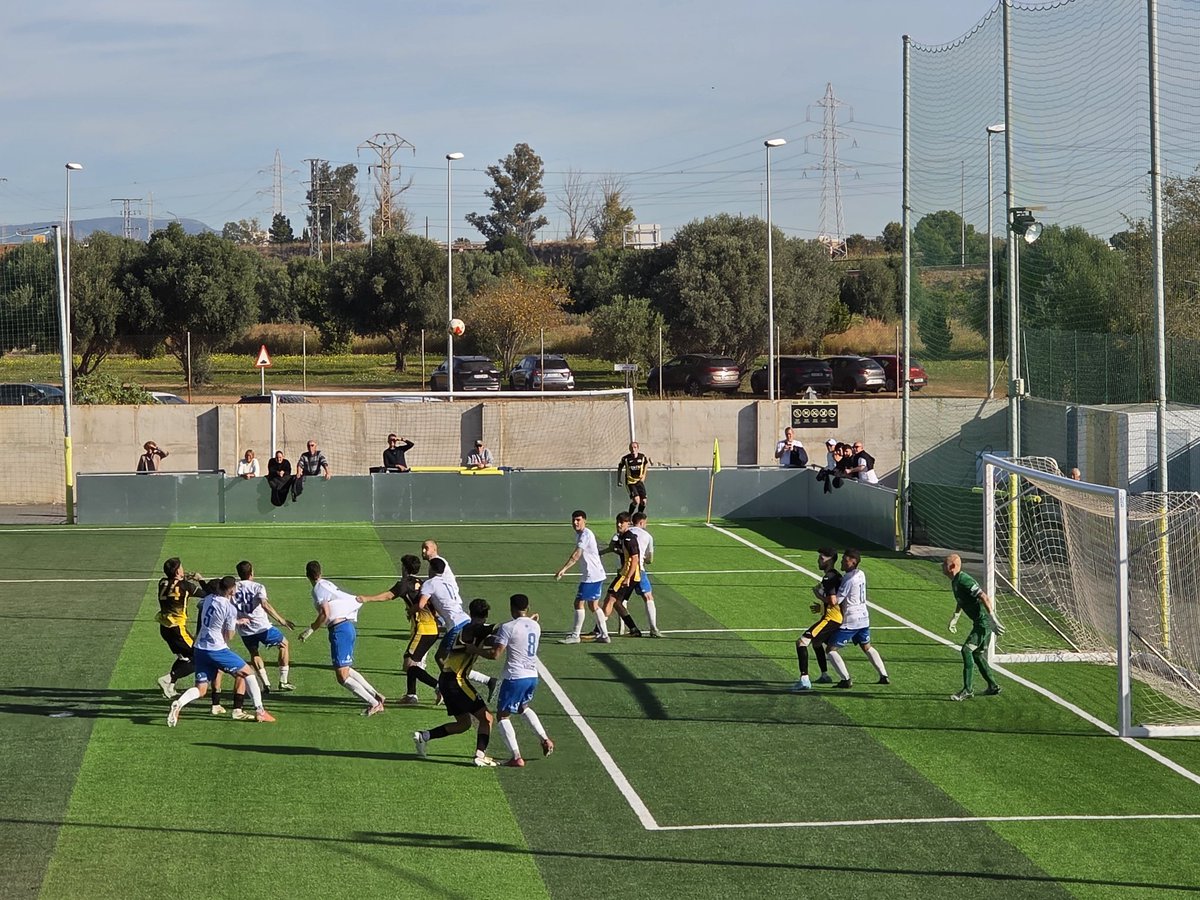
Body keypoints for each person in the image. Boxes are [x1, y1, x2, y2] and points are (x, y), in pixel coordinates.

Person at [167, 576, 275, 726]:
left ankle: (179, 703)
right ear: (231, 589)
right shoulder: (230, 608)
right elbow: (229, 636)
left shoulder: (209, 599)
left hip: (200, 648)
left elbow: (208, 612)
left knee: (201, 689)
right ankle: (260, 711)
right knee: (248, 672)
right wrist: (235, 624)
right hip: (216, 649)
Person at [468, 594, 554, 767]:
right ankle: (545, 738)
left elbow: (495, 654)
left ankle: (516, 757)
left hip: (515, 677)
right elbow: (523, 629)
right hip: (532, 676)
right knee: (523, 707)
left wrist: (474, 650)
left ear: (511, 608)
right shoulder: (535, 625)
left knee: (502, 716)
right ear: (527, 607)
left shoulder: (508, 627)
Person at [413, 598, 500, 767]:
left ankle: (424, 736)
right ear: (485, 615)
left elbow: (491, 640)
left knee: (463, 724)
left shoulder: (469, 629)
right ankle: (479, 755)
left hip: (447, 680)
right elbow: (498, 629)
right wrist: (522, 623)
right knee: (487, 719)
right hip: (456, 681)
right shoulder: (475, 628)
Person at [298, 560, 387, 715]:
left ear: (307, 575)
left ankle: (374, 703)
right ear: (321, 572)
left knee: (342, 676)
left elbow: (325, 613)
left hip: (340, 631)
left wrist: (310, 629)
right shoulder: (327, 584)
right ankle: (376, 695)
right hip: (347, 628)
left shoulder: (318, 589)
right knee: (346, 669)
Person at [357, 554, 441, 705]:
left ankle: (438, 687)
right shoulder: (421, 583)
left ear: (404, 568)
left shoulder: (404, 584)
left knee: (409, 665)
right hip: (433, 629)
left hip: (423, 629)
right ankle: (411, 696)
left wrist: (367, 598)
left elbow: (388, 596)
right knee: (413, 664)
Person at [419, 557, 496, 698]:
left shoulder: (429, 584)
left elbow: (420, 605)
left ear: (431, 569)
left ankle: (453, 687)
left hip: (456, 625)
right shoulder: (448, 581)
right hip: (465, 618)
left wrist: (416, 613)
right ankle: (488, 680)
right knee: (457, 661)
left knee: (441, 658)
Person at [232, 561, 296, 709]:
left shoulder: (234, 587)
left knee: (254, 653)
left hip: (245, 629)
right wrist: (282, 620)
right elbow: (265, 605)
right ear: (251, 572)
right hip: (262, 627)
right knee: (284, 644)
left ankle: (266, 683)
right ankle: (283, 680)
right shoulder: (257, 587)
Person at [825, 548, 890, 688]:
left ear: (853, 562)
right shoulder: (861, 574)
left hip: (851, 620)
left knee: (830, 649)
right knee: (867, 646)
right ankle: (884, 675)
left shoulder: (849, 579)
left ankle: (846, 679)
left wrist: (819, 594)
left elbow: (836, 601)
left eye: (845, 560)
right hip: (864, 618)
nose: (842, 561)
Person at [944, 553, 1004, 701]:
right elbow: (962, 600)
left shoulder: (964, 579)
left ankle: (968, 690)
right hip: (979, 623)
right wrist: (955, 617)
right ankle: (993, 686)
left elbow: (983, 596)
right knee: (976, 655)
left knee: (966, 650)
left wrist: (992, 619)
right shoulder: (955, 581)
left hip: (983, 623)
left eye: (943, 564)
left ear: (951, 567)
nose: (941, 567)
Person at [555, 509, 611, 644]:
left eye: (578, 520)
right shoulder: (581, 534)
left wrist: (563, 569)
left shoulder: (585, 535)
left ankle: (575, 636)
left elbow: (576, 555)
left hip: (591, 576)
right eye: (573, 520)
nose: (575, 523)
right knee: (593, 606)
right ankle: (604, 635)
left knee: (579, 603)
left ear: (584, 521)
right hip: (595, 575)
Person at [791, 548, 842, 691]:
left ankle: (804, 679)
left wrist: (817, 595)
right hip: (834, 617)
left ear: (830, 559)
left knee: (802, 642)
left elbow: (833, 601)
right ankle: (825, 675)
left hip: (831, 618)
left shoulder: (829, 578)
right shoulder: (836, 576)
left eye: (822, 558)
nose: (819, 560)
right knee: (817, 642)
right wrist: (821, 607)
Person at [155, 558, 203, 700]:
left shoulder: (162, 582)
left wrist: (185, 576)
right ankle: (168, 679)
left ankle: (170, 687)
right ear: (177, 571)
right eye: (181, 568)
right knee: (198, 658)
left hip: (164, 628)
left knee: (184, 657)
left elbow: (173, 582)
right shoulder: (186, 586)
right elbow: (206, 593)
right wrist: (199, 579)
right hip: (178, 630)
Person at [601, 511, 643, 637]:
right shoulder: (622, 537)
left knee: (610, 598)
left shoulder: (630, 538)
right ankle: (634, 630)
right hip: (626, 574)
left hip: (627, 576)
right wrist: (600, 552)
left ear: (628, 523)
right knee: (617, 603)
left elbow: (635, 559)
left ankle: (599, 630)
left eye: (622, 522)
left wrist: (628, 578)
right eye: (617, 522)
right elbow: (617, 550)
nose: (619, 525)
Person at [629, 512, 662, 637]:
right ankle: (653, 628)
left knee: (620, 600)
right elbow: (650, 559)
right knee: (648, 597)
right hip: (638, 570)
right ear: (642, 522)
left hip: (623, 570)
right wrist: (645, 560)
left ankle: (620, 628)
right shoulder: (647, 536)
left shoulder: (625, 532)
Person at [617, 441, 650, 515]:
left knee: (643, 501)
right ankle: (629, 516)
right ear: (629, 449)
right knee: (636, 501)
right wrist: (619, 479)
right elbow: (619, 468)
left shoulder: (642, 457)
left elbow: (646, 464)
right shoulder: (626, 459)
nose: (633, 449)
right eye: (631, 447)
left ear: (638, 448)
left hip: (639, 481)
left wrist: (644, 475)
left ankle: (639, 516)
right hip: (630, 482)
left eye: (635, 447)